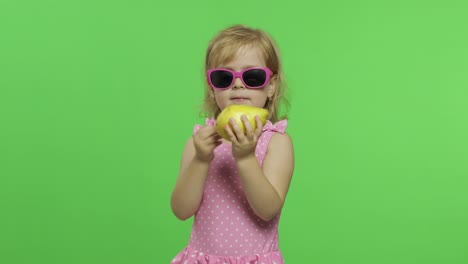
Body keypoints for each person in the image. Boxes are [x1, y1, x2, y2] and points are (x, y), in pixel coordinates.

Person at [170, 24, 294, 264]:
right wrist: (200, 159)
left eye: (252, 77)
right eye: (224, 77)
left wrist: (246, 157)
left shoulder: (276, 142)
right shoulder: (200, 143)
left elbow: (267, 209)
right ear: (212, 87)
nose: (237, 85)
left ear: (271, 86)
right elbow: (181, 210)